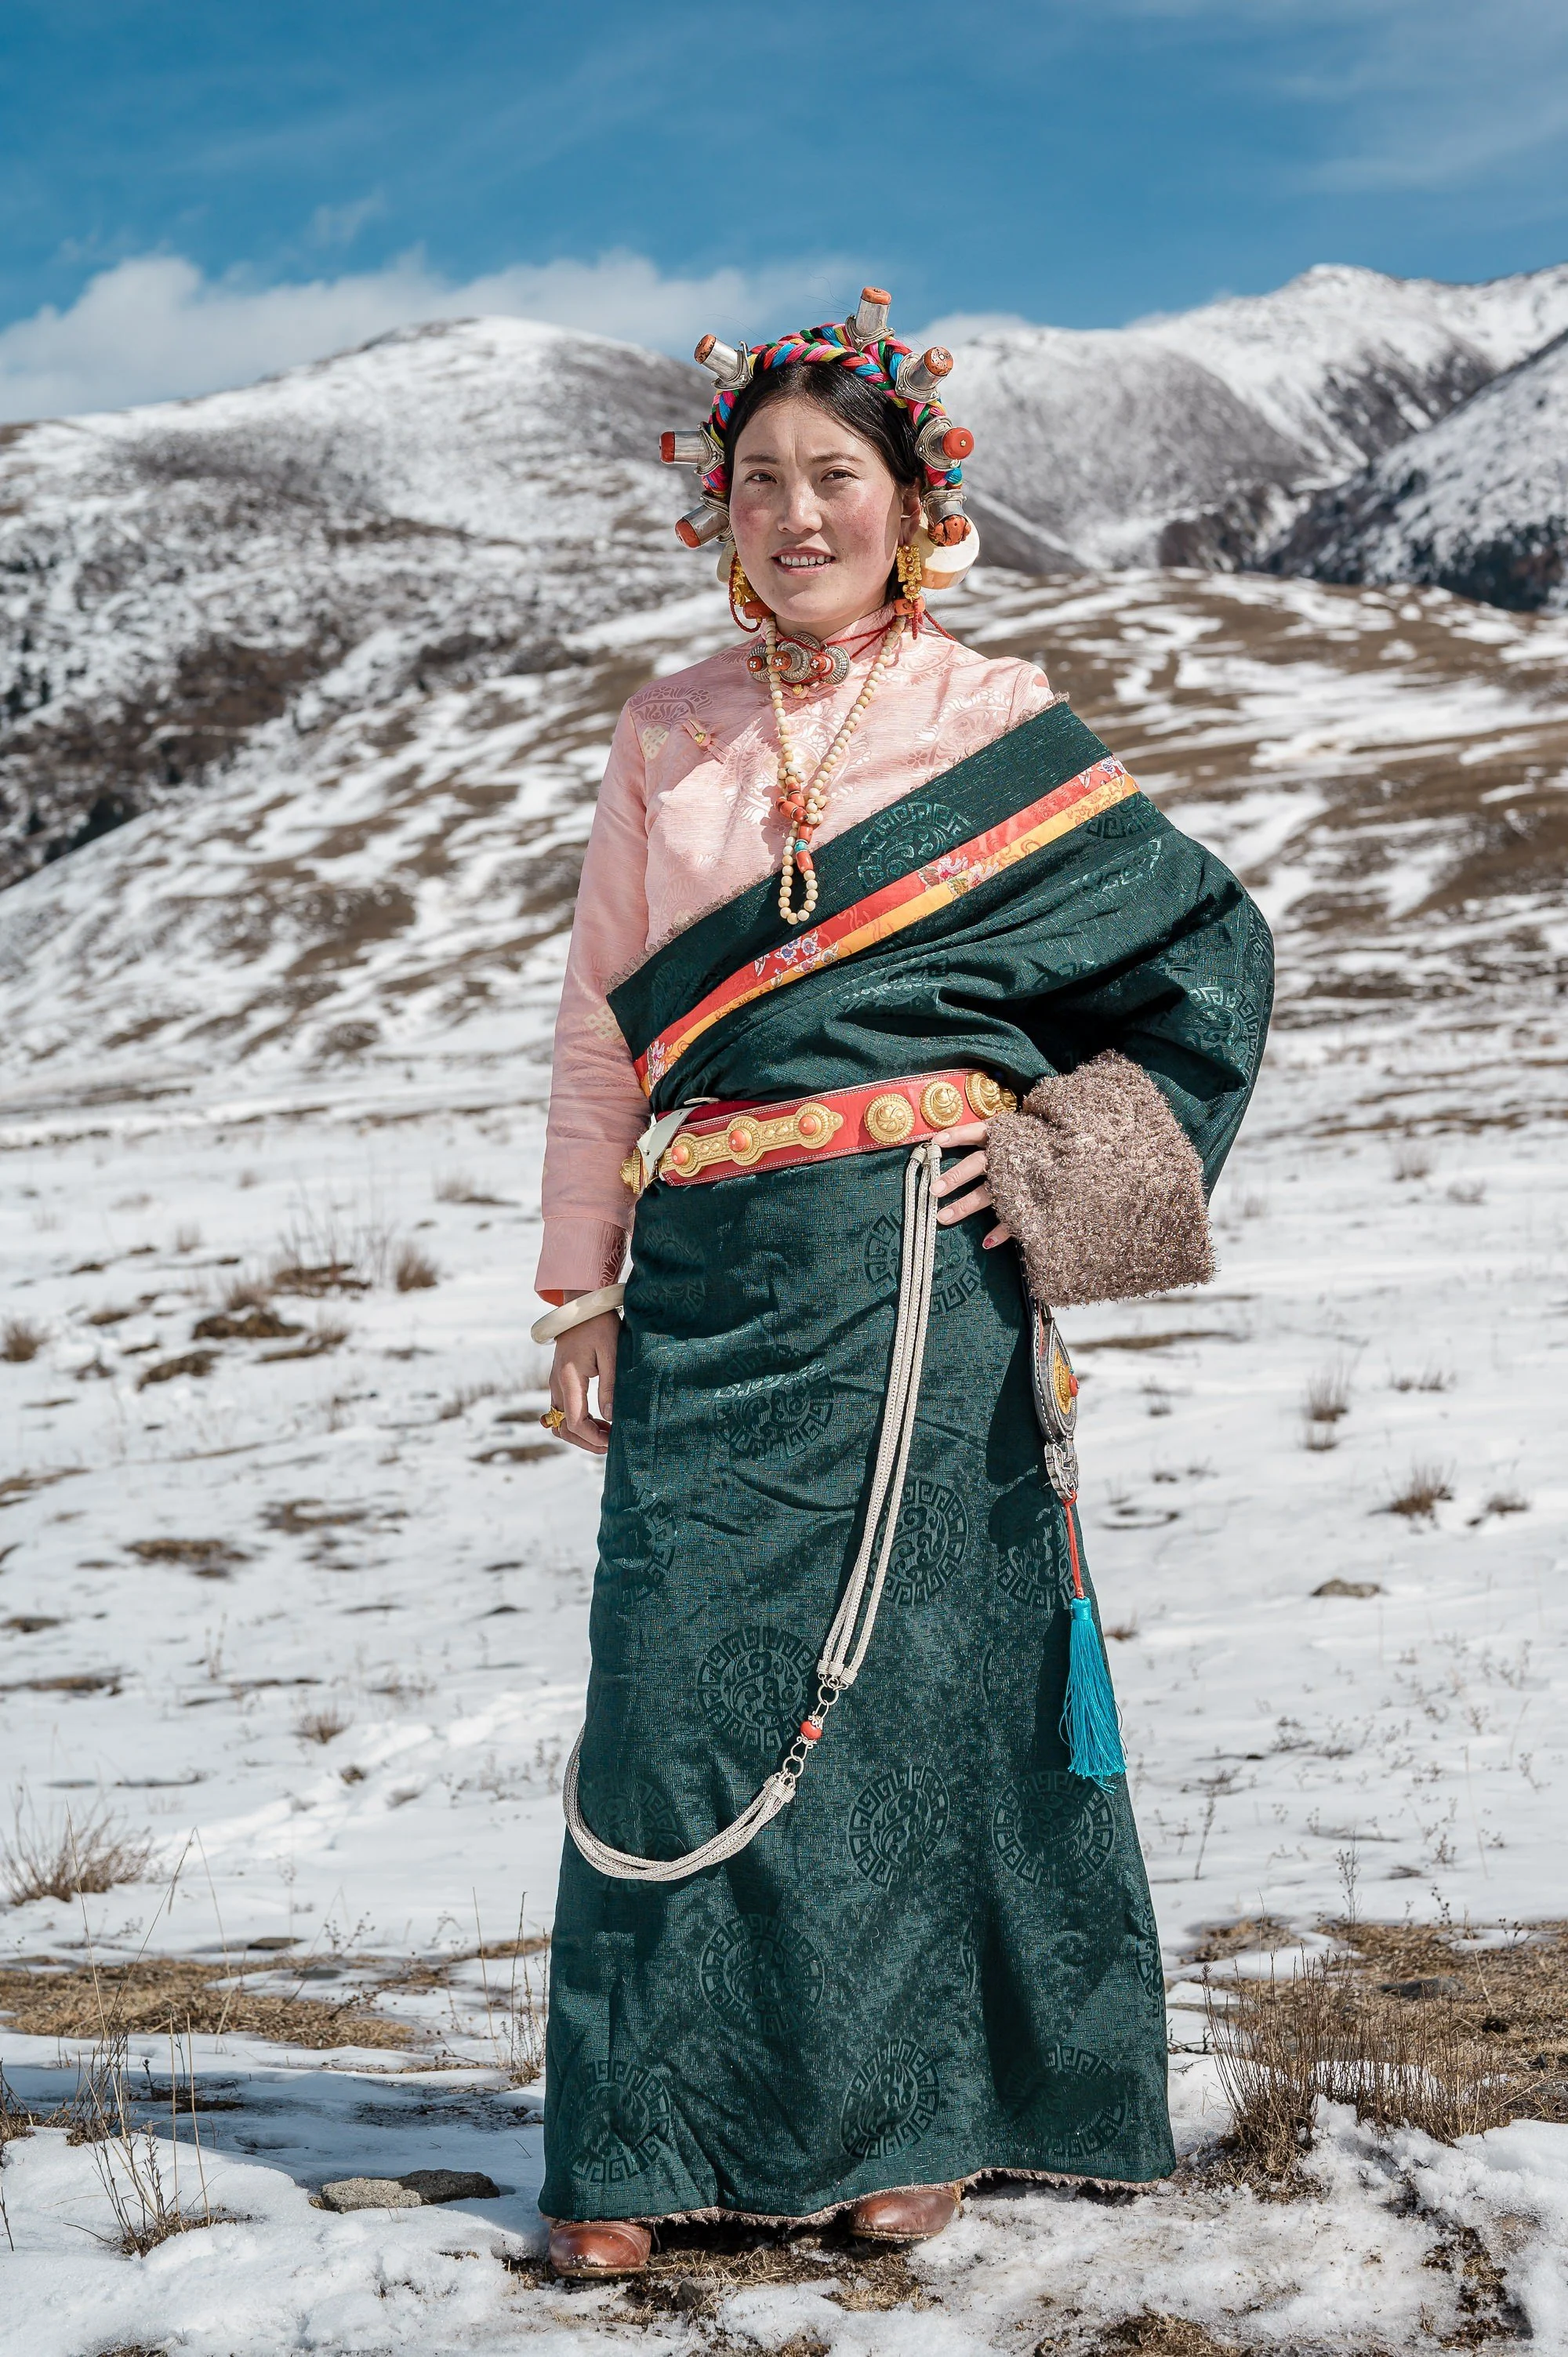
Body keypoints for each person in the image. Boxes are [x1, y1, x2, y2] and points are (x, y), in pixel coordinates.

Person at [532, 291, 1272, 2277]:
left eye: (834, 478)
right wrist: (578, 1289)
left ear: (913, 503)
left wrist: (1051, 1170)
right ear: (718, 509)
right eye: (760, 481)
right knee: (669, 1691)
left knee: (898, 1698)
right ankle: (639, 2140)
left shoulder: (993, 720)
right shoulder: (664, 729)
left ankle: (909, 2119)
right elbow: (606, 1034)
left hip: (921, 1276)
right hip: (706, 1277)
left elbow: (1211, 958)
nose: (797, 515)